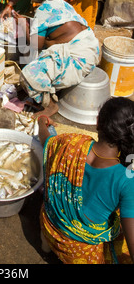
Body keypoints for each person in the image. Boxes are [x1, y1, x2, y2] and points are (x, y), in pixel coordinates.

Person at [39, 96, 134, 264]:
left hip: (50, 226)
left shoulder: (70, 143)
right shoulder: (126, 179)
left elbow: (47, 141)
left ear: (97, 123)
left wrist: (41, 121)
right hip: (79, 252)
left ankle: (45, 246)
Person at [15, 0, 99, 114]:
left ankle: (50, 106)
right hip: (92, 49)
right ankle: (52, 88)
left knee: (29, 74)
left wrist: (23, 25)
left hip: (78, 59)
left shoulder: (43, 10)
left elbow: (36, 45)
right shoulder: (63, 4)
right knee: (44, 51)